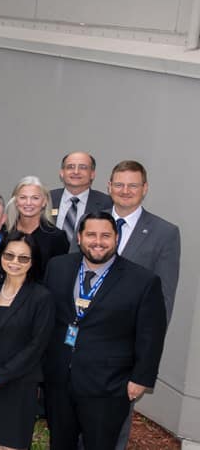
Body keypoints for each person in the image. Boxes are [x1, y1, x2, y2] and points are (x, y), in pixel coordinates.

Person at [43, 213, 167, 450]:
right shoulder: (58, 267)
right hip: (59, 380)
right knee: (60, 443)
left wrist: (141, 378)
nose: (97, 241)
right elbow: (47, 319)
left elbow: (150, 334)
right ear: (79, 238)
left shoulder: (143, 280)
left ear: (116, 238)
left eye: (105, 236)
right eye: (91, 234)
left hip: (108, 386)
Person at [0, 231, 54, 450]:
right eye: (9, 255)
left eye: (23, 258)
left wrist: (2, 375)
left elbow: (37, 345)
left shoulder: (41, 297)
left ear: (33, 261)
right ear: (0, 256)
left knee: (10, 444)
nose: (14, 262)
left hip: (18, 386)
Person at [107, 160, 180, 321]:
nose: (125, 191)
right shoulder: (88, 222)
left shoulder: (165, 233)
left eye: (133, 186)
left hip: (128, 331)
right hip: (83, 329)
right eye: (119, 185)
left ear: (144, 188)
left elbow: (164, 295)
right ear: (109, 186)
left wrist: (152, 341)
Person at [4, 176, 68, 282]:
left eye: (35, 198)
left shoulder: (56, 237)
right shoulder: (4, 232)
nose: (28, 203)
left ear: (44, 202)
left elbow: (59, 276)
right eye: (23, 197)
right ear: (16, 201)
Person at [50, 152, 112, 252]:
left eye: (83, 167)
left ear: (92, 174)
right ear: (62, 172)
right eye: (70, 167)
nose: (76, 171)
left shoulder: (107, 203)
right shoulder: (46, 199)